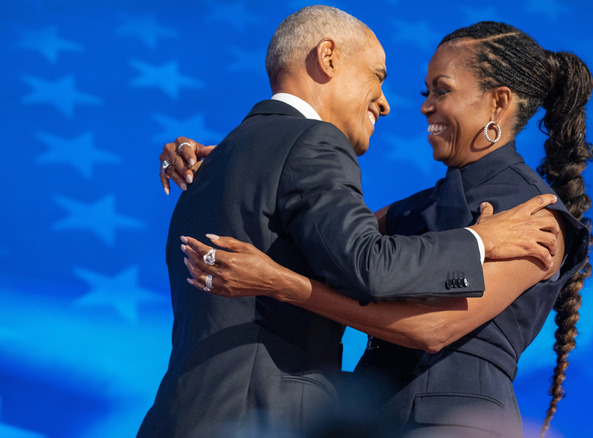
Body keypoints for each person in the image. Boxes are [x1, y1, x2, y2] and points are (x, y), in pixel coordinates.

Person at [142, 7, 563, 438]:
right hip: (284, 417)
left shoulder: (535, 218)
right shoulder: (327, 159)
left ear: (499, 101)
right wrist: (479, 241)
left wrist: (283, 279)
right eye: (380, 76)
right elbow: (360, 254)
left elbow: (433, 328)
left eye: (441, 89)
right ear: (327, 58)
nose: (409, 105)